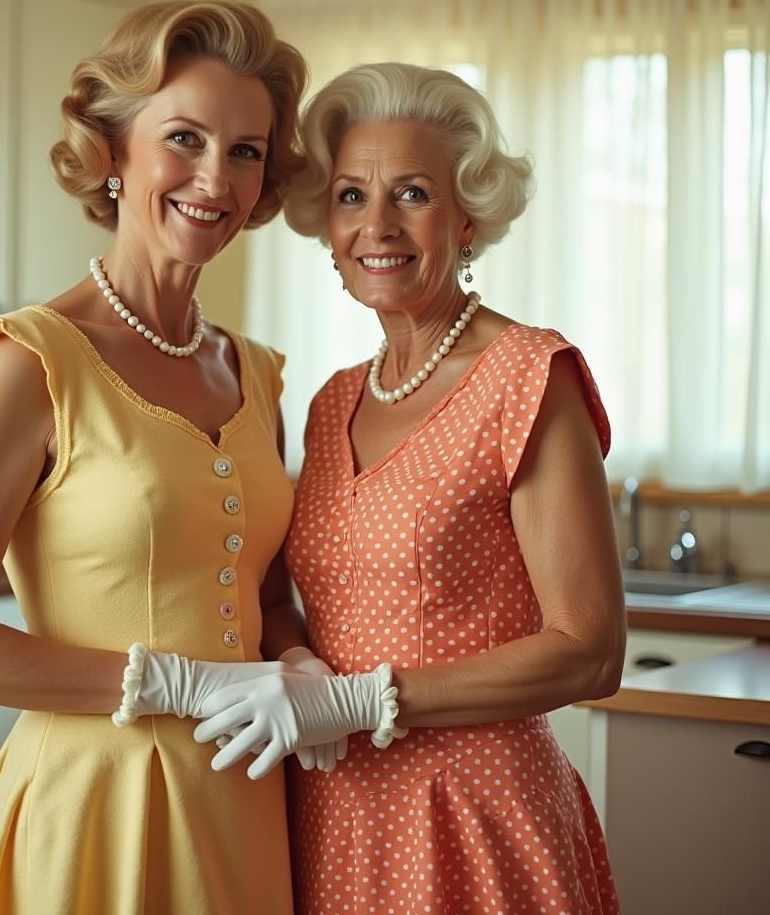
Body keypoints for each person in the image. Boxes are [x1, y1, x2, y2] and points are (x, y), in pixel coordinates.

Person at [0, 0, 310, 915]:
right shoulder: (30, 363)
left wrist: (300, 660)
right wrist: (181, 682)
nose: (215, 177)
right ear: (114, 151)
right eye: (185, 138)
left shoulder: (260, 374)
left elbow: (263, 593)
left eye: (245, 150)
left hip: (243, 805)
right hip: (95, 807)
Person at [194, 62, 625, 913]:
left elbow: (591, 648)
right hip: (333, 815)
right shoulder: (330, 403)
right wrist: (297, 665)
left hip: (474, 815)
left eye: (414, 194)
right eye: (351, 196)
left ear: (468, 216)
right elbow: (288, 599)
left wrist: (358, 702)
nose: (377, 224)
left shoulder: (528, 375)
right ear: (325, 223)